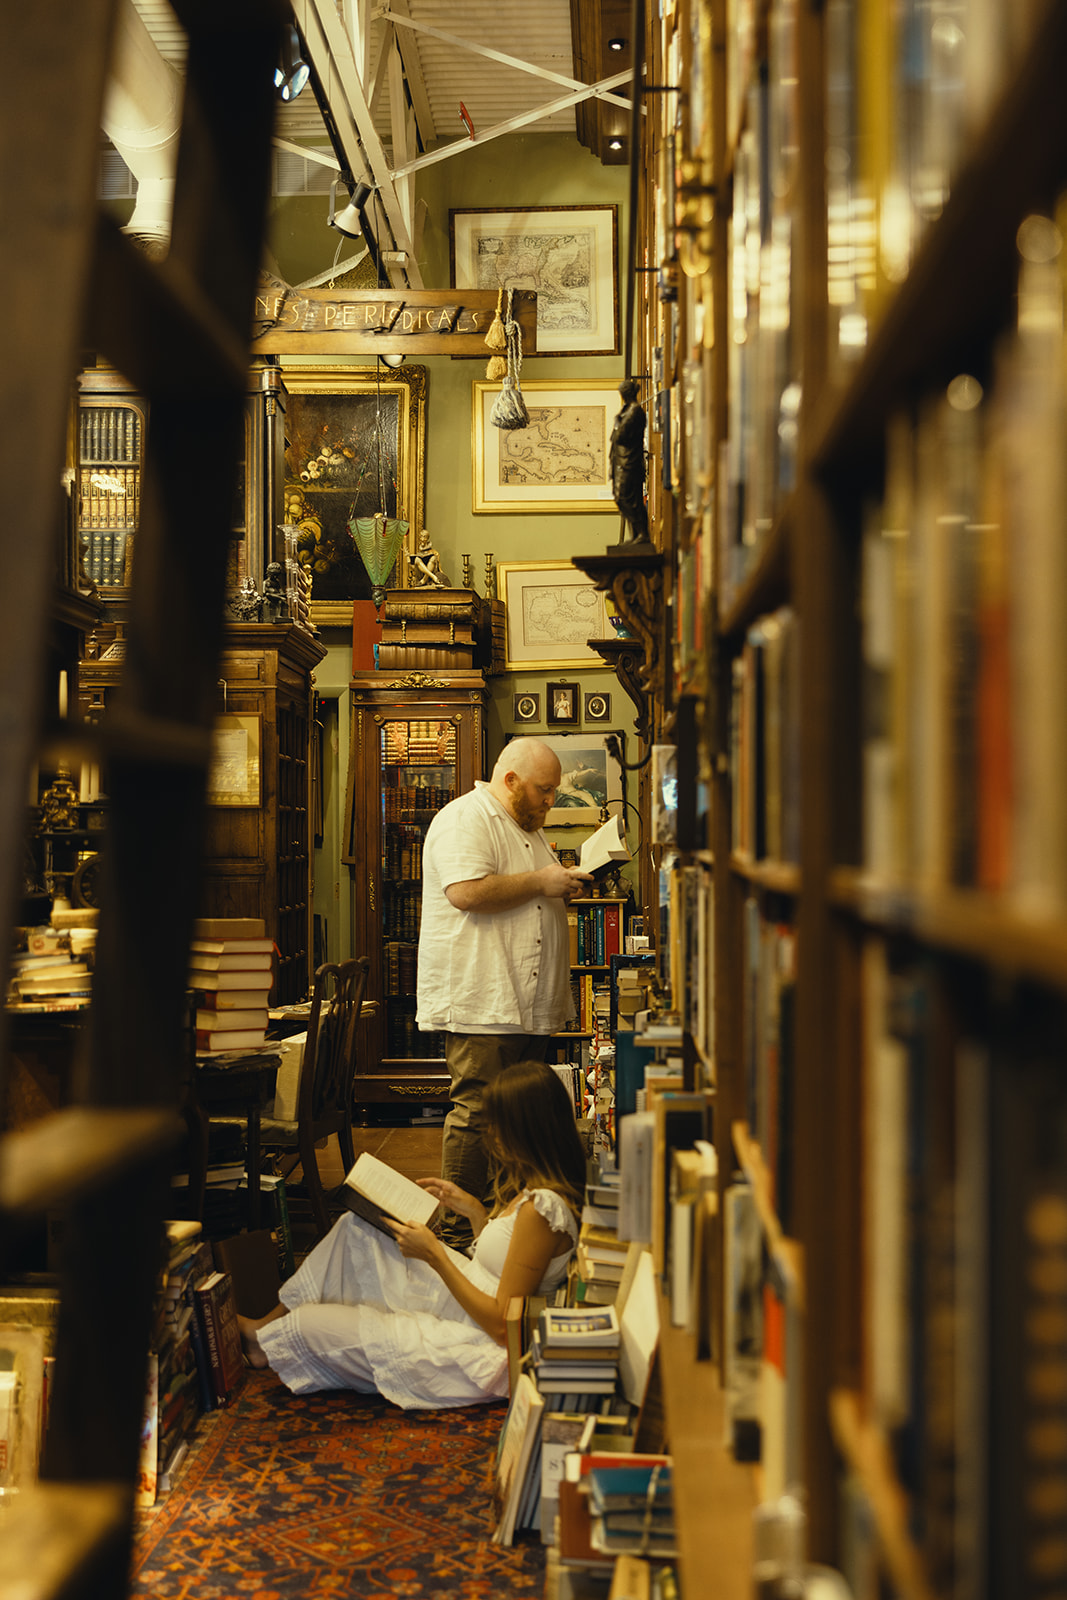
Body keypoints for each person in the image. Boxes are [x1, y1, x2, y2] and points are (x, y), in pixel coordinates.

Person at [237, 1061, 585, 1409]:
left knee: (305, 1328)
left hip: (478, 1335)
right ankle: (264, 1328)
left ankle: (281, 1331)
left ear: (524, 1130)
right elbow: (506, 1265)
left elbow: (500, 1325)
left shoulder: (542, 1210)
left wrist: (433, 1254)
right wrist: (476, 1213)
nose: (490, 1136)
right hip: (469, 1296)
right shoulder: (536, 1191)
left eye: (497, 1126)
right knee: (356, 1228)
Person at [416, 738, 592, 1246]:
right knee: (477, 1112)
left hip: (523, 1002)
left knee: (514, 1115)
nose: (550, 801)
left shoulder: (526, 828)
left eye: (555, 792)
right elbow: (466, 893)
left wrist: (560, 882)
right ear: (510, 779)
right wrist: (542, 881)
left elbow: (530, 890)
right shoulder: (464, 818)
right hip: (483, 999)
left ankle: (499, 1224)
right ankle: (453, 1235)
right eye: (543, 790)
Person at [609, 377, 650, 543]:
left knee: (628, 498)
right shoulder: (626, 410)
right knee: (623, 498)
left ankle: (642, 534)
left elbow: (620, 435)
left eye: (623, 392)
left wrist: (618, 421)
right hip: (621, 461)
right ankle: (636, 535)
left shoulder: (635, 411)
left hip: (630, 462)